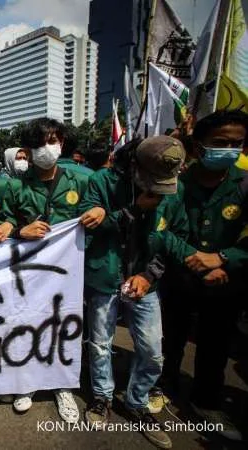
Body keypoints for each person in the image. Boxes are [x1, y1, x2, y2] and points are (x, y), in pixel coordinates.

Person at [80, 136, 190, 449]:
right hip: (104, 278)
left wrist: (148, 275)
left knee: (153, 350)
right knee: (100, 344)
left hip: (145, 284)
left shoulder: (174, 190)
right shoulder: (102, 181)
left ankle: (137, 401)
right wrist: (131, 210)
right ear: (134, 166)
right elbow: (86, 227)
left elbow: (172, 237)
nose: (159, 189)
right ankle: (101, 397)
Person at [156, 110, 247, 441]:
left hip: (224, 281)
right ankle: (163, 386)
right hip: (179, 277)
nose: (230, 149)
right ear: (199, 145)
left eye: (237, 143)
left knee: (215, 345)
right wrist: (193, 256)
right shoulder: (174, 183)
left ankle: (206, 402)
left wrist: (224, 259)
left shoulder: (245, 183)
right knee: (170, 338)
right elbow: (161, 231)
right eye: (221, 143)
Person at [0, 118, 86, 422]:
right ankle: (29, 382)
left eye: (55, 140)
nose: (49, 147)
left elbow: (96, 225)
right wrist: (19, 229)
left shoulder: (80, 182)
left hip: (67, 275)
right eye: (42, 142)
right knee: (29, 325)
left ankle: (62, 386)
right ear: (29, 149)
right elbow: (3, 225)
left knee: (64, 326)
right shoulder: (14, 186)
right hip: (29, 275)